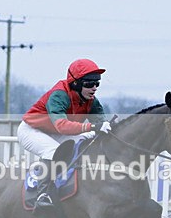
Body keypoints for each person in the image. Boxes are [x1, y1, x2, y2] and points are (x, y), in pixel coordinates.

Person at [17, 58, 111, 209]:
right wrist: (93, 126)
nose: (94, 88)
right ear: (76, 83)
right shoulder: (59, 95)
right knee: (53, 151)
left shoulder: (91, 100)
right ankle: (42, 194)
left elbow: (101, 125)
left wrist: (105, 129)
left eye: (97, 83)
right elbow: (62, 126)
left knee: (86, 138)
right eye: (89, 84)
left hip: (54, 130)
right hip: (32, 130)